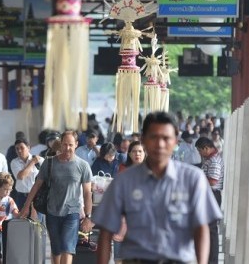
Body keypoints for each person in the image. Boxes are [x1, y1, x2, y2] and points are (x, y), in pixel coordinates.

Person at [93, 112, 223, 264]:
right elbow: (106, 233)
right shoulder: (124, 181)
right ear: (143, 140)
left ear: (175, 141)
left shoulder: (193, 179)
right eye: (154, 137)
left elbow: (202, 228)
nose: (160, 144)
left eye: (166, 138)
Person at [19, 131, 93, 264]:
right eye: (65, 144)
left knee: (67, 248)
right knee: (56, 250)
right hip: (52, 212)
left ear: (76, 144)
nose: (67, 148)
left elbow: (87, 193)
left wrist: (88, 217)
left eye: (71, 145)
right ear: (60, 144)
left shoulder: (83, 166)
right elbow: (36, 186)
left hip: (72, 212)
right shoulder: (49, 163)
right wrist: (26, 206)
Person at [113, 140, 145, 264]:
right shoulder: (123, 169)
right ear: (129, 154)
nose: (137, 154)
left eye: (140, 151)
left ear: (144, 153)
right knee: (119, 256)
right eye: (134, 151)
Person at [195, 137, 224, 264]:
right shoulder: (210, 159)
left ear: (206, 148)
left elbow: (212, 181)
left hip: (212, 196)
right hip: (209, 196)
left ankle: (212, 260)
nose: (200, 154)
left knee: (211, 229)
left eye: (199, 151)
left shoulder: (214, 161)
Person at [10, 139, 44, 220]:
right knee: (22, 223)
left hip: (37, 196)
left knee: (38, 224)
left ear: (28, 148)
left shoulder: (40, 160)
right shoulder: (14, 162)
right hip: (22, 197)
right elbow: (21, 176)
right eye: (17, 148)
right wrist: (32, 162)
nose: (19, 150)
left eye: (22, 148)